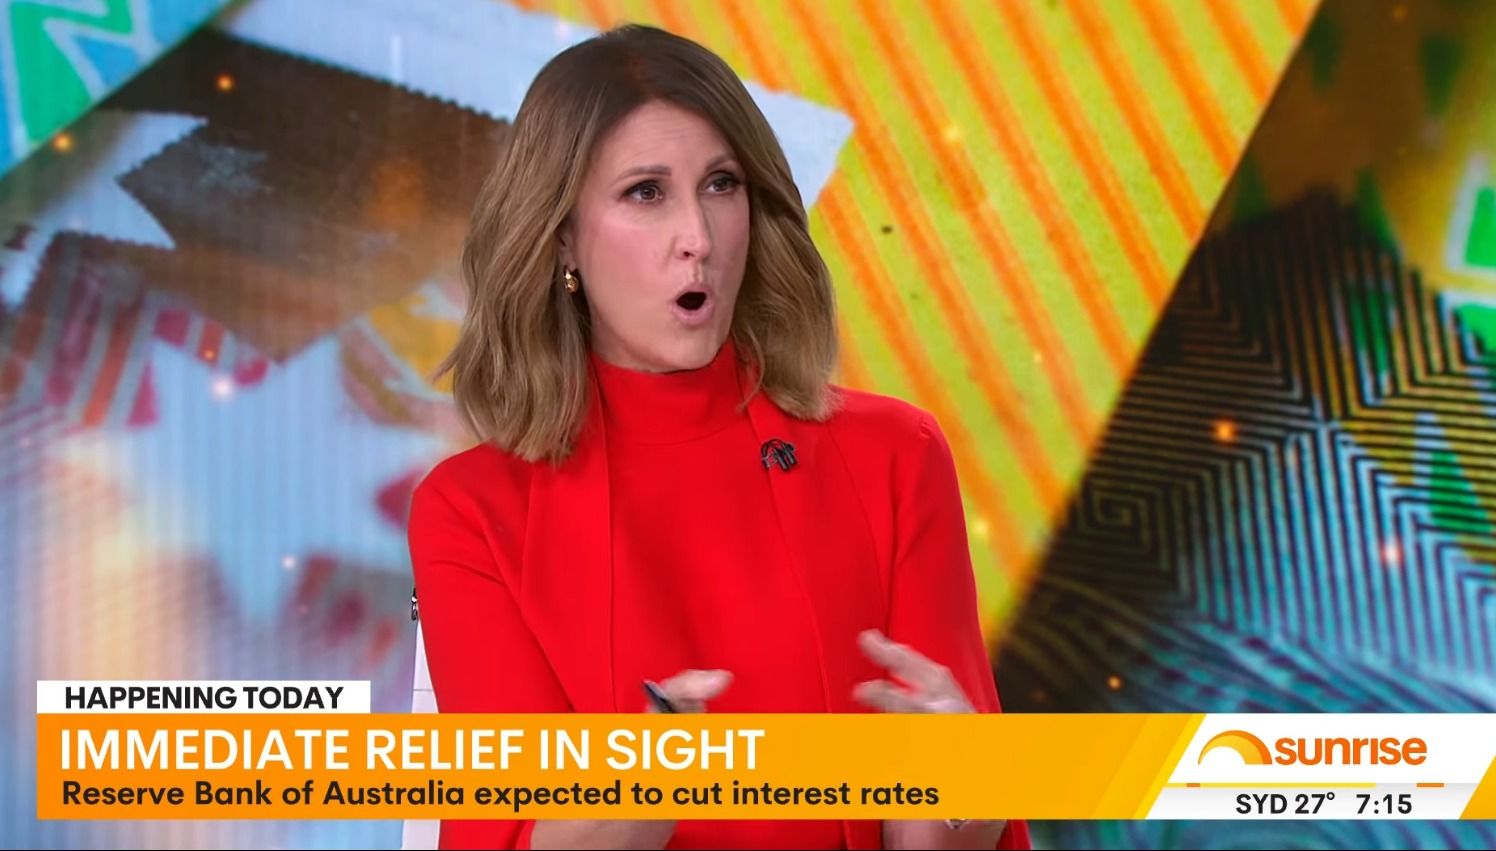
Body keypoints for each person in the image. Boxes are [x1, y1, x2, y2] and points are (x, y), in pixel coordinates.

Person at [409, 23, 1031, 851]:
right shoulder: (471, 512)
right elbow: (509, 831)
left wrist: (965, 799)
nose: (697, 237)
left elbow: (938, 828)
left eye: (721, 184)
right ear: (562, 237)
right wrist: (637, 796)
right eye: (645, 192)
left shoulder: (896, 454)